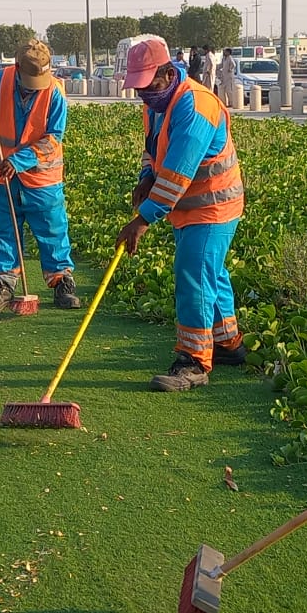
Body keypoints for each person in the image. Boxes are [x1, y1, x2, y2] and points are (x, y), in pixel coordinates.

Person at [115, 36, 246, 391]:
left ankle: (194, 362)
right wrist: (145, 177)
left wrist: (142, 220)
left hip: (213, 205)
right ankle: (228, 344)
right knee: (210, 274)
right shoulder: (155, 103)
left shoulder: (196, 106)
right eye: (138, 88)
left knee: (193, 277)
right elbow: (153, 150)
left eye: (148, 86)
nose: (143, 95)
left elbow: (177, 172)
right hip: (188, 207)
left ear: (168, 72)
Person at [0, 38, 80, 311]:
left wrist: (19, 160)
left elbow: (54, 138)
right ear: (17, 68)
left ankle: (61, 281)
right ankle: (5, 283)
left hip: (42, 177)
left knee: (52, 229)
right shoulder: (0, 80)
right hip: (4, 176)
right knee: (4, 230)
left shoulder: (55, 93)